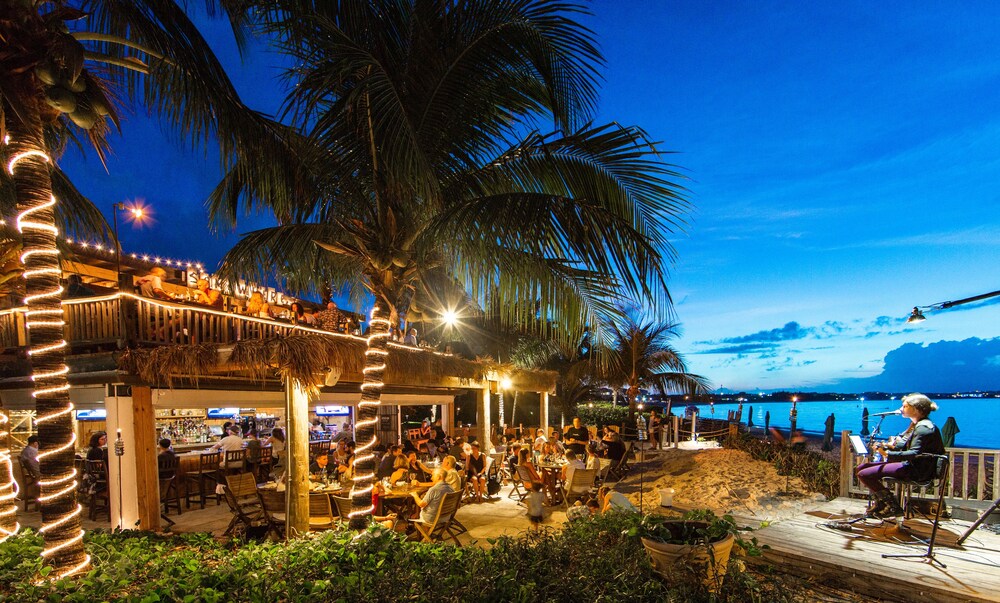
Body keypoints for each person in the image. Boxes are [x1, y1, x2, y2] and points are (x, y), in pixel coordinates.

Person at [855, 393, 946, 519]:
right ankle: (881, 504)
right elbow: (903, 446)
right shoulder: (917, 425)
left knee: (864, 474)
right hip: (913, 465)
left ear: (915, 409)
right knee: (862, 467)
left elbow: (914, 453)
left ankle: (892, 506)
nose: (901, 409)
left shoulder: (923, 428)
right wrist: (886, 446)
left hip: (917, 470)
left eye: (905, 406)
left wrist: (887, 454)